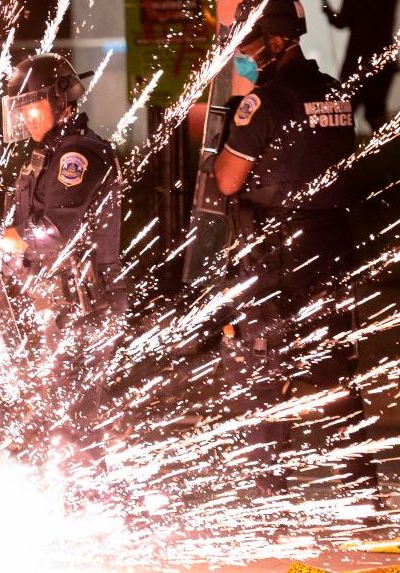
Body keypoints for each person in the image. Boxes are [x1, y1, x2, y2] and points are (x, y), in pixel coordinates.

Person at [214, 0, 378, 505]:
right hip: (330, 252)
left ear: (278, 40)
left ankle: (270, 498)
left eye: (252, 42)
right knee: (334, 372)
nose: (245, 53)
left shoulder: (264, 102)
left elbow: (226, 179)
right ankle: (361, 491)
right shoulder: (334, 93)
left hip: (275, 260)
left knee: (263, 373)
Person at [0, 53, 126, 452]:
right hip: (60, 301)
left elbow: (55, 233)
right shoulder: (46, 153)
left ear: (60, 101)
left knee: (77, 421)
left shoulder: (78, 155)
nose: (25, 116)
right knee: (59, 415)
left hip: (87, 302)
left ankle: (97, 505)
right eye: (20, 107)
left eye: (31, 104)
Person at [323, 0, 398, 131]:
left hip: (358, 62)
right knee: (376, 112)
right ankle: (386, 147)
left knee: (346, 110)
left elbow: (341, 22)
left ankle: (340, 146)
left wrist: (326, 9)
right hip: (383, 61)